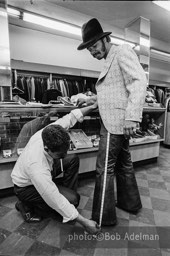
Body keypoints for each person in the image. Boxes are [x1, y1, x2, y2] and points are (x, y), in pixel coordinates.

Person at [77, 18, 147, 225]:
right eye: (89, 49)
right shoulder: (110, 58)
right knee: (124, 164)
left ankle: (103, 217)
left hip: (116, 122)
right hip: (116, 121)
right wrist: (93, 99)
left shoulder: (122, 51)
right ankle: (130, 203)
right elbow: (115, 91)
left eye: (94, 46)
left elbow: (139, 80)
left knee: (104, 168)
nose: (92, 51)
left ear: (105, 39)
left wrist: (132, 117)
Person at [11, 102, 100, 235]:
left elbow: (71, 117)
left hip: (42, 170)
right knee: (73, 200)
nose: (63, 155)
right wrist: (85, 222)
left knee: (72, 159)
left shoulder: (52, 130)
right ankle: (25, 205)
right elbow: (53, 196)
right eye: (59, 154)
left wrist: (93, 106)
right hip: (25, 187)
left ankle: (66, 200)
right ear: (47, 148)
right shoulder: (37, 166)